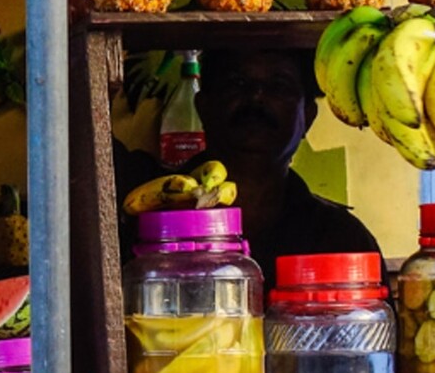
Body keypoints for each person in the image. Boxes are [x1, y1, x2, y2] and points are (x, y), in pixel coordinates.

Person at [116, 48, 381, 288]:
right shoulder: (143, 214)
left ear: (308, 117)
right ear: (203, 107)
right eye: (236, 83)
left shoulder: (342, 238)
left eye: (279, 86)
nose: (256, 98)